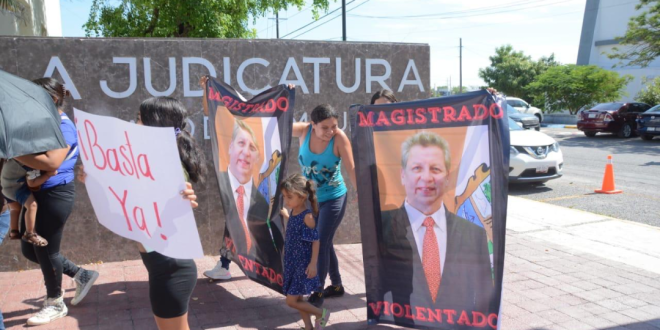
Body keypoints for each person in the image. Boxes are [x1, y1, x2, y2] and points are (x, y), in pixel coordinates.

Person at [78, 96, 205, 330]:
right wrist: (95, 180)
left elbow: (179, 198)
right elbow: (125, 210)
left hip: (171, 269)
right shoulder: (146, 165)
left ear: (156, 125)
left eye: (138, 119)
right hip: (161, 266)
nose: (133, 124)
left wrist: (187, 199)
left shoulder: (169, 167)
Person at [378, 131, 494, 326]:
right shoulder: (380, 228)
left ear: (447, 177)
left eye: (435, 169)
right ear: (403, 175)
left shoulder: (475, 235)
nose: (426, 177)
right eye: (417, 168)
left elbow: (484, 299)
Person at [14, 78, 99, 326]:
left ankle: (55, 302)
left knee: (45, 249)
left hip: (56, 194)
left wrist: (13, 152)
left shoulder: (64, 127)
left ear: (51, 99)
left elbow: (51, 162)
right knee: (30, 249)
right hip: (36, 193)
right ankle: (81, 274)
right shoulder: (45, 124)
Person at [293, 104, 356, 307]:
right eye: (325, 127)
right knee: (324, 241)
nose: (330, 131)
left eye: (334, 126)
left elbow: (352, 168)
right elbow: (277, 123)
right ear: (313, 124)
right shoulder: (304, 131)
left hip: (334, 198)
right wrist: (284, 92)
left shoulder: (339, 138)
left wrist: (362, 194)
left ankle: (317, 291)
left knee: (318, 241)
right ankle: (336, 285)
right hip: (313, 200)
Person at [214, 118, 283, 282]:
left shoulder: (260, 202)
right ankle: (224, 264)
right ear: (230, 147)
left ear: (257, 156)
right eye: (241, 144)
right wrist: (206, 91)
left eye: (252, 147)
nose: (245, 152)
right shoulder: (223, 183)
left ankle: (226, 264)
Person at [279, 174, 330, 330]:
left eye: (289, 197)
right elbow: (296, 227)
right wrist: (286, 215)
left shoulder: (307, 216)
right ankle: (308, 327)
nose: (286, 201)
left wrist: (313, 263)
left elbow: (316, 241)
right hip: (292, 262)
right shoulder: (294, 212)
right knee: (299, 298)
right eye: (284, 197)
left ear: (302, 197)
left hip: (302, 264)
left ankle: (321, 313)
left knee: (291, 300)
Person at [2, 160, 57, 246]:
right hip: (16, 188)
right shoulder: (31, 162)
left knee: (15, 208)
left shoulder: (16, 155)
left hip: (5, 186)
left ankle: (14, 231)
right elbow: (32, 183)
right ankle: (30, 233)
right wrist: (48, 174)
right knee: (32, 206)